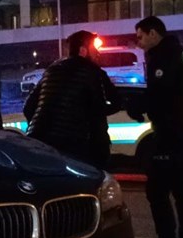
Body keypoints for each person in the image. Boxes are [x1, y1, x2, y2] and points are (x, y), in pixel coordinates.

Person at [128, 16, 183, 238]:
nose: (138, 43)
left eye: (140, 36)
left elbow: (159, 97)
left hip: (171, 135)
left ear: (153, 33)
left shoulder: (163, 58)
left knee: (158, 193)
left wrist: (137, 107)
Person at [24, 30, 120, 169]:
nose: (98, 53)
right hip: (78, 147)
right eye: (95, 48)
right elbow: (115, 103)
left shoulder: (51, 71)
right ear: (83, 50)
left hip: (41, 142)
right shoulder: (93, 72)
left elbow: (28, 107)